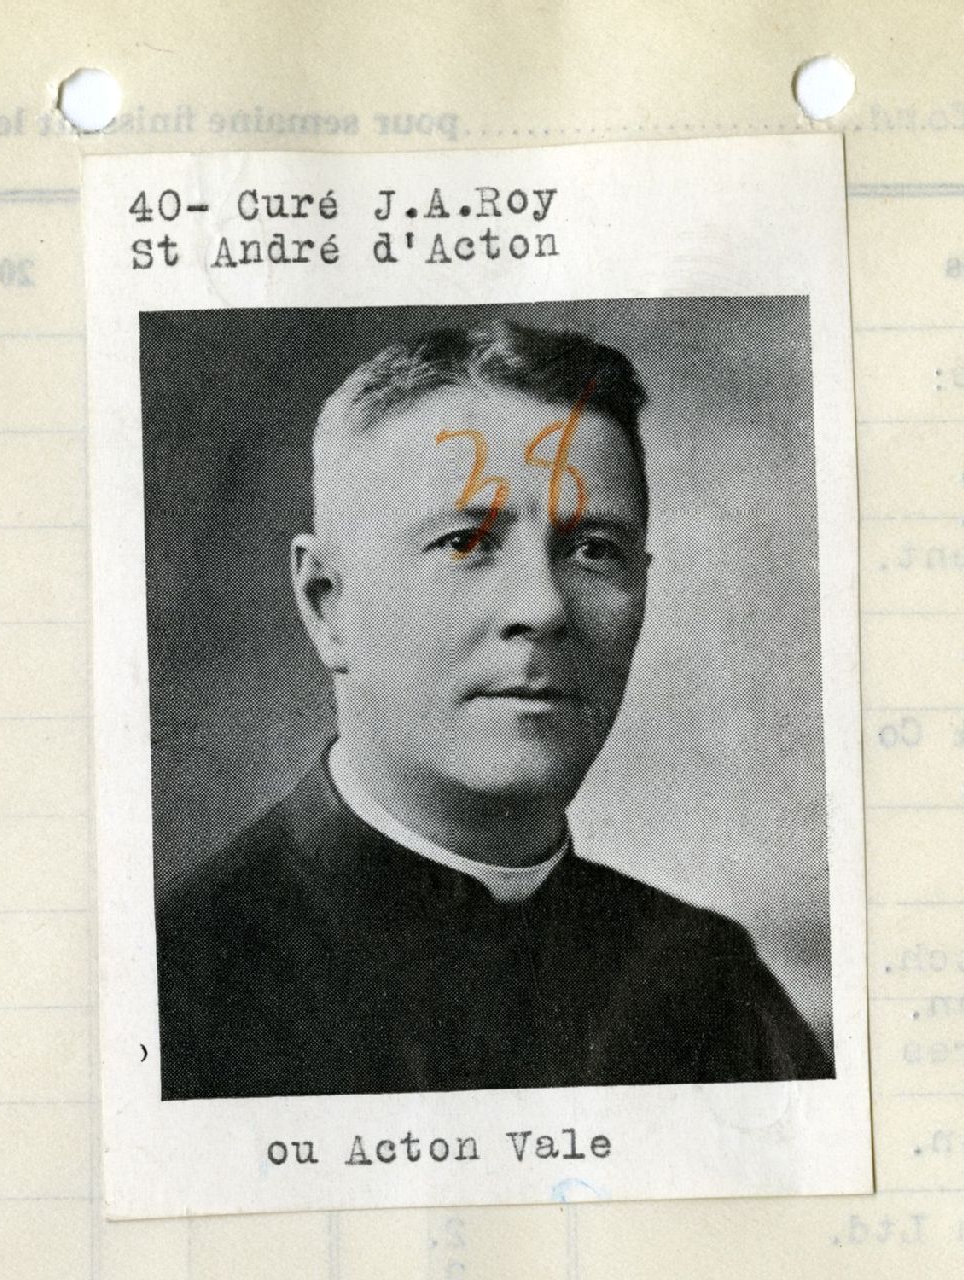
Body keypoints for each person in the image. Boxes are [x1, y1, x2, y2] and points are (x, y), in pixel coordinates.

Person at [156, 319, 833, 1100]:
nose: (543, 607)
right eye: (465, 542)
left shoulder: (712, 985)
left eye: (594, 550)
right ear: (327, 605)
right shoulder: (178, 990)